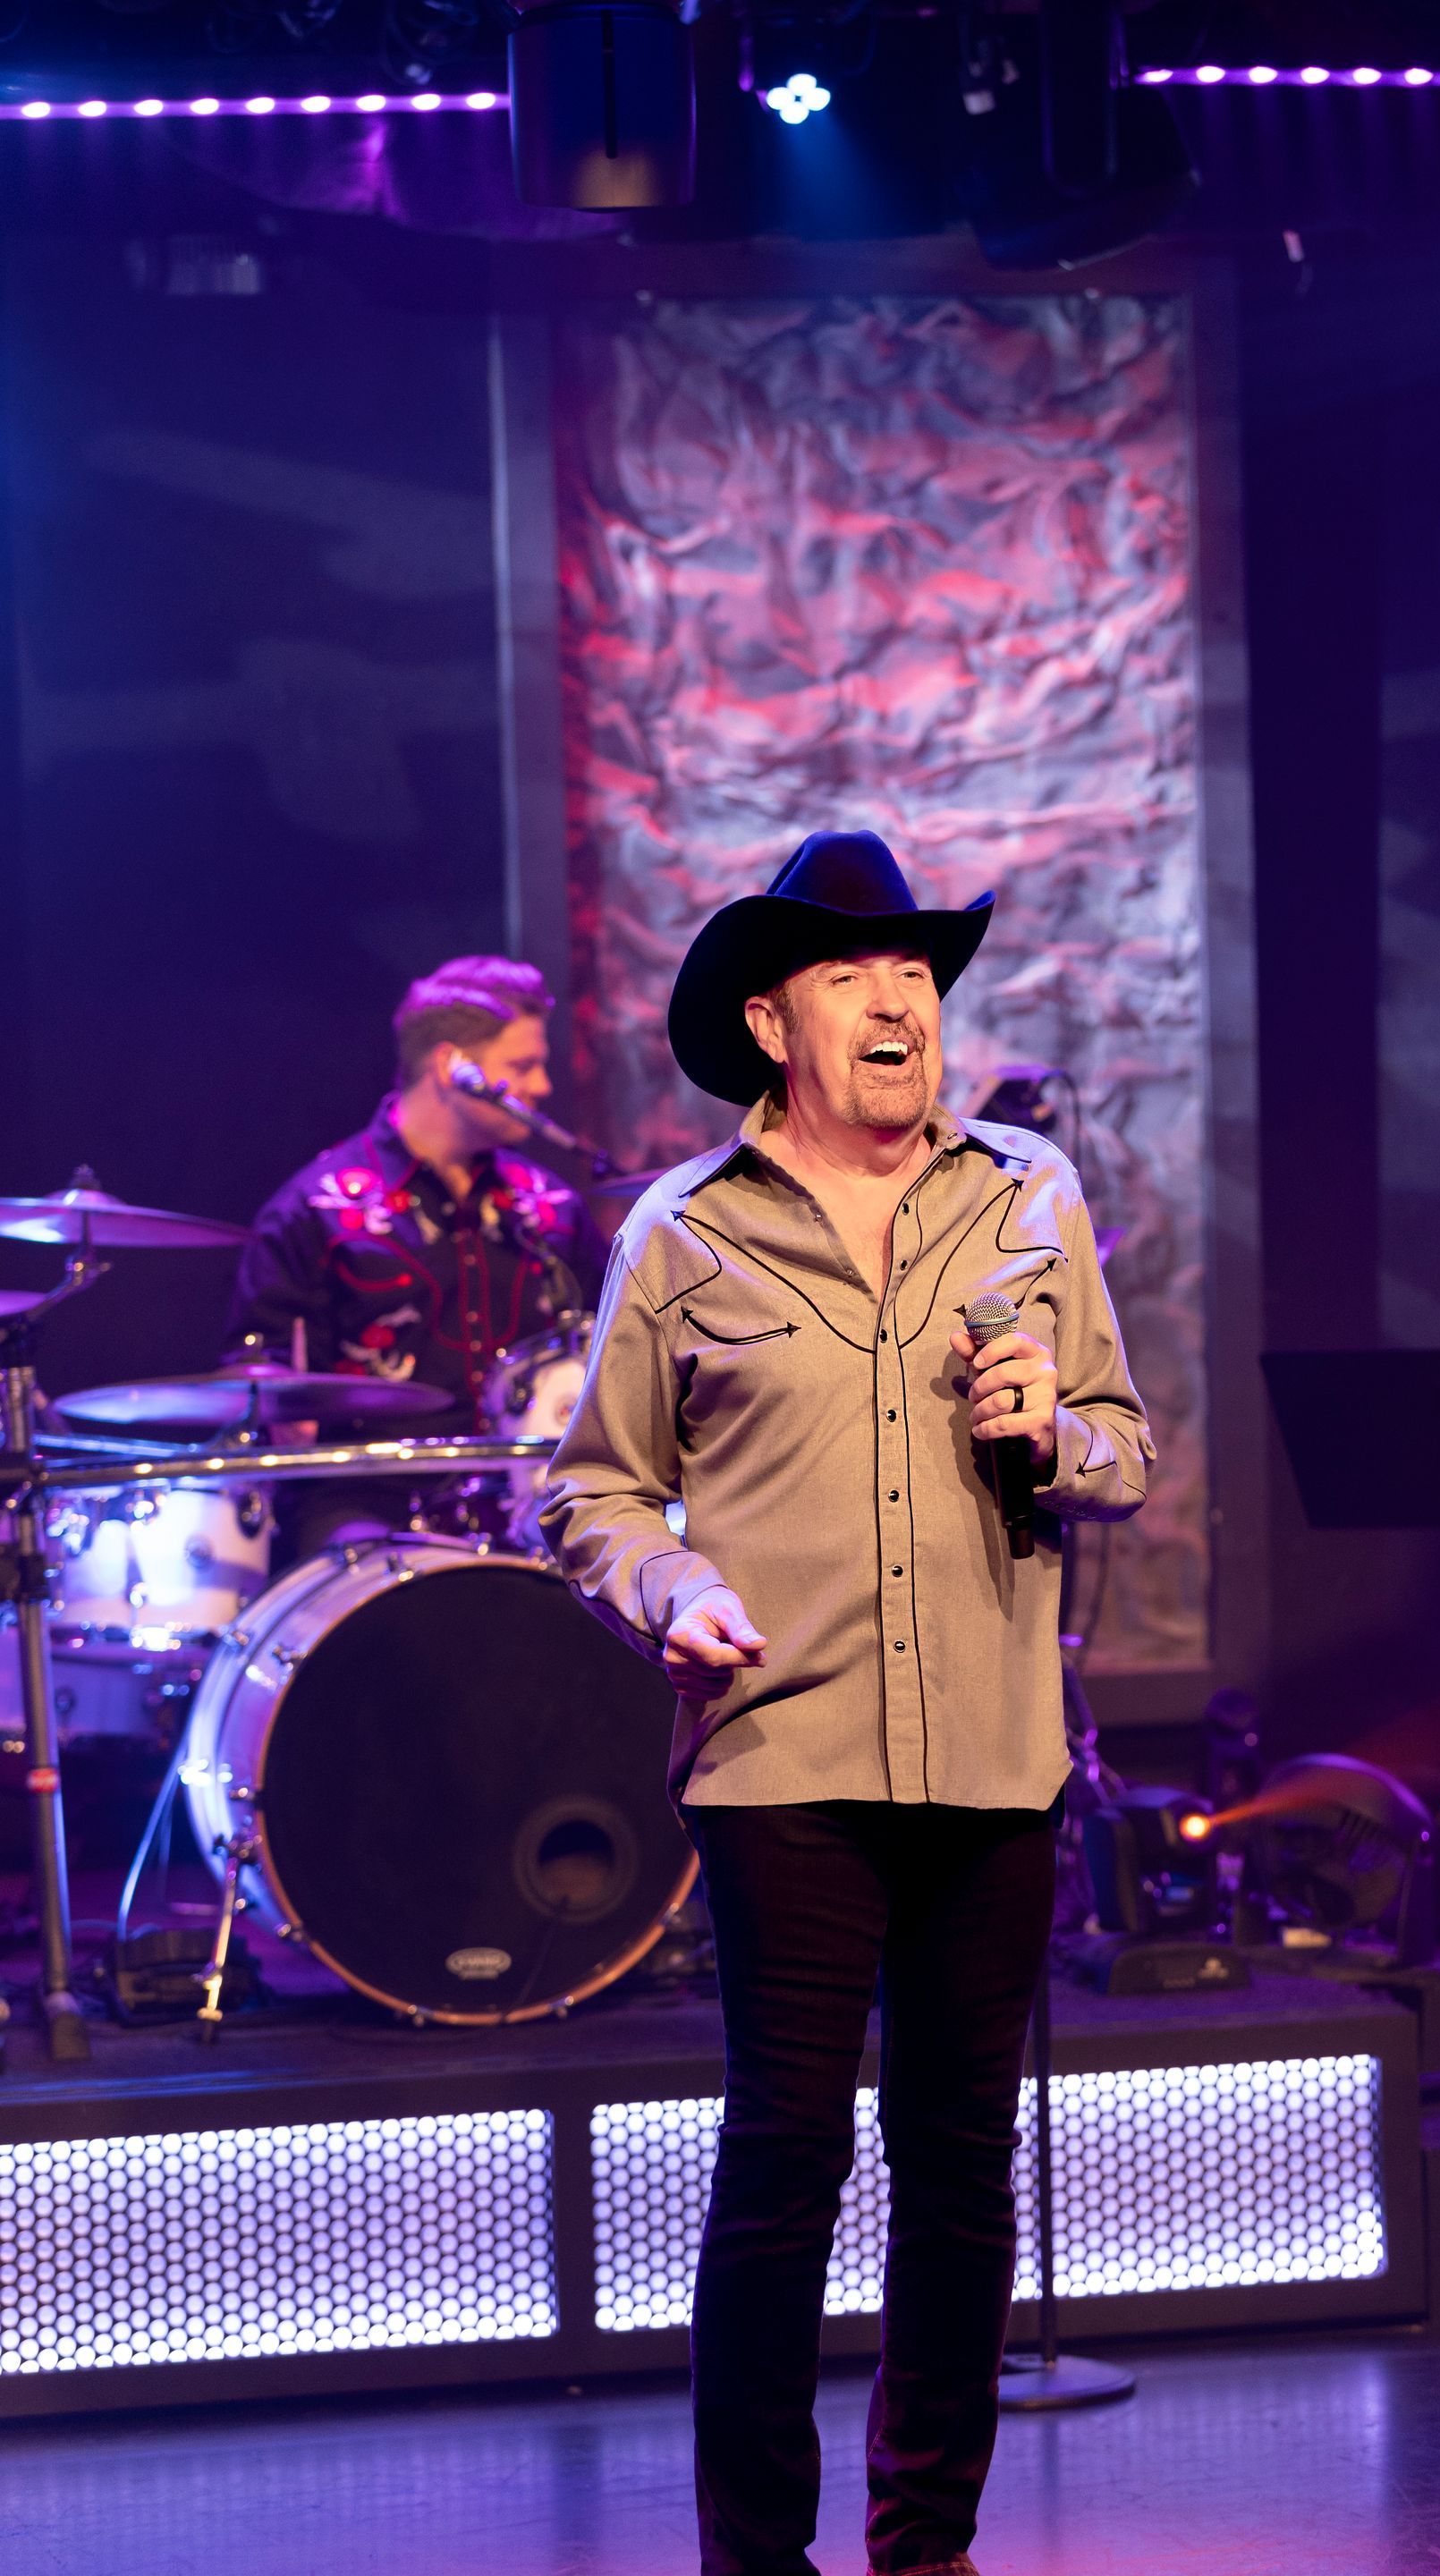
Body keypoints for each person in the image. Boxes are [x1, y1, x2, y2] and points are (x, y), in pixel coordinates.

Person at [540, 831, 1150, 2576]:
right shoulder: (685, 1230)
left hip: (987, 1749)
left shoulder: (1028, 1193)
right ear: (771, 1019)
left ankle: (928, 2542)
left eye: (917, 976)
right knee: (785, 2155)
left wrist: (1056, 1433)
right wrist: (676, 1588)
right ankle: (755, 2557)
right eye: (852, 976)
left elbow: (1125, 1440)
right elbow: (592, 1494)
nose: (900, 1001)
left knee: (960, 2162)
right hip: (780, 1755)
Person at [226, 954, 607, 1555]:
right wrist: (276, 1404)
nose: (542, 1087)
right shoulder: (314, 1208)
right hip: (367, 1500)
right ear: (451, 1066)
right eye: (523, 1066)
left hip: (537, 1494)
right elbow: (254, 1372)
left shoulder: (550, 1206)